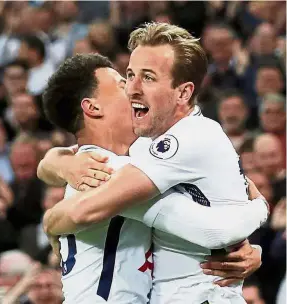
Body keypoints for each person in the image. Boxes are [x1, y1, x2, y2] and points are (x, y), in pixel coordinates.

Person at [39, 46, 266, 304]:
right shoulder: (103, 169)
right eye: (122, 82)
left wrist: (247, 250)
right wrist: (260, 208)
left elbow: (49, 165)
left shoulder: (106, 162)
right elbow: (214, 231)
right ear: (92, 107)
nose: (132, 89)